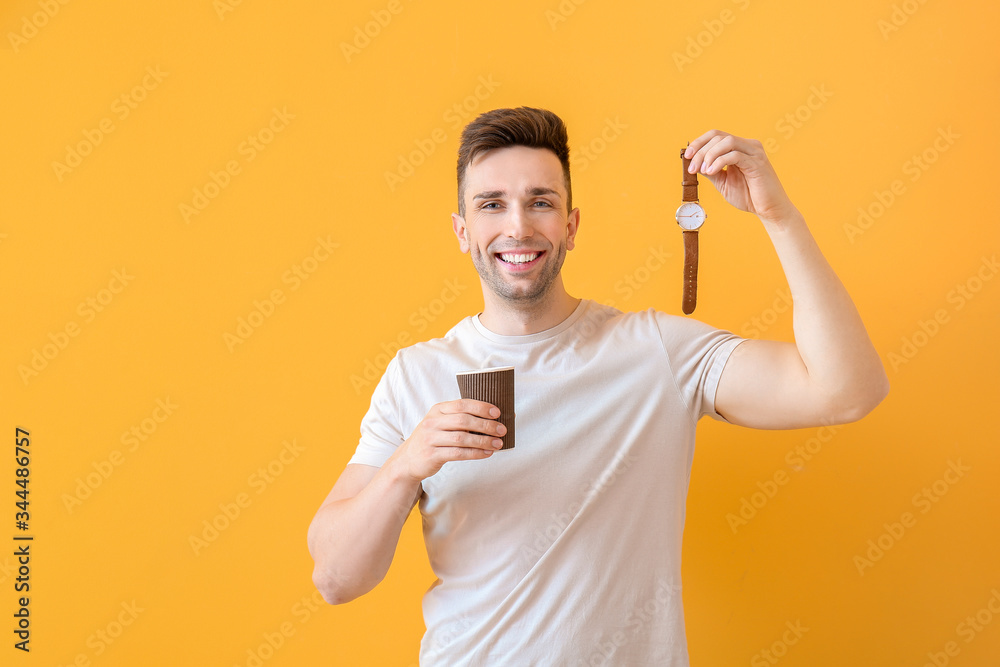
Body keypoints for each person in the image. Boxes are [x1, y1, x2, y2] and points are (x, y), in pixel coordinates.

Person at [307, 107, 889, 665]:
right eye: (491, 205)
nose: (517, 225)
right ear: (463, 230)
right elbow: (336, 579)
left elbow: (846, 390)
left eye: (541, 202)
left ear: (571, 225)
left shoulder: (657, 351)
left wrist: (778, 215)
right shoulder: (415, 374)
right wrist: (406, 464)